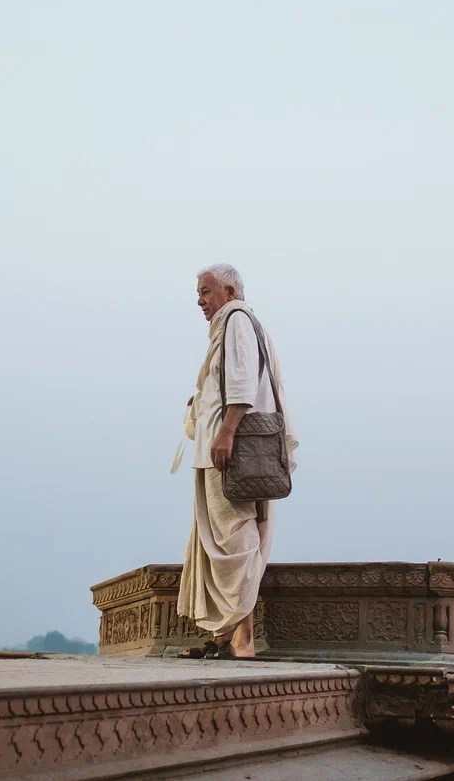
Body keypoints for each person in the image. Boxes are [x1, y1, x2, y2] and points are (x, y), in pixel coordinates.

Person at [174, 264, 297, 660]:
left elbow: (241, 383)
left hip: (229, 449)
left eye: (205, 291)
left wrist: (226, 433)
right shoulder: (232, 324)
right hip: (228, 447)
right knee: (229, 536)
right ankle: (226, 635)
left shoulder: (237, 320)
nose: (200, 301)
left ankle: (242, 640)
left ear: (229, 292)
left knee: (235, 537)